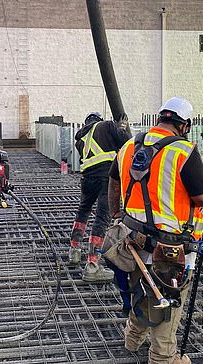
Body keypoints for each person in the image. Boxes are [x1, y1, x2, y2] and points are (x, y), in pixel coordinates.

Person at [108, 97, 203, 364]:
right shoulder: (183, 150)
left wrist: (116, 214)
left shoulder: (129, 146)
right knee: (169, 304)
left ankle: (132, 339)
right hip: (172, 248)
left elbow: (112, 180)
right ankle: (163, 358)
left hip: (133, 241)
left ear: (160, 119)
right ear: (185, 124)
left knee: (144, 292)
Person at [67, 111, 131, 282]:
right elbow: (126, 144)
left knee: (83, 211)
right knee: (102, 218)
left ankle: (74, 251)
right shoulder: (107, 125)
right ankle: (93, 266)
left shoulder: (80, 138)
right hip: (105, 177)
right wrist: (121, 128)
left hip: (87, 178)